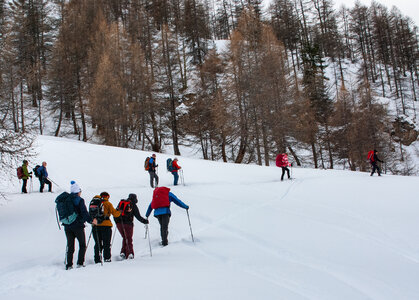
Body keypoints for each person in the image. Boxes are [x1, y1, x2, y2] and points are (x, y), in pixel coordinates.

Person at [64, 181, 96, 270]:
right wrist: (91, 220)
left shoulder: (66, 199)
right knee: (82, 244)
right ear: (78, 191)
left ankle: (69, 265)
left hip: (67, 226)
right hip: (78, 226)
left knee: (70, 245)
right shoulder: (79, 200)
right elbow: (84, 213)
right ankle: (80, 263)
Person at [114, 193, 149, 259]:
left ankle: (123, 252)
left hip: (119, 223)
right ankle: (130, 254)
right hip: (128, 224)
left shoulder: (122, 203)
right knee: (129, 238)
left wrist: (117, 222)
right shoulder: (133, 205)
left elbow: (115, 213)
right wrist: (145, 221)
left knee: (125, 237)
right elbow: (138, 216)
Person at [92, 191, 121, 263]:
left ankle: (97, 259)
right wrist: (119, 211)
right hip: (106, 226)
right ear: (107, 196)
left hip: (96, 225)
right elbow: (115, 214)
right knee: (106, 243)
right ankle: (107, 258)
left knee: (97, 243)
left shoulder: (95, 203)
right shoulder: (108, 203)